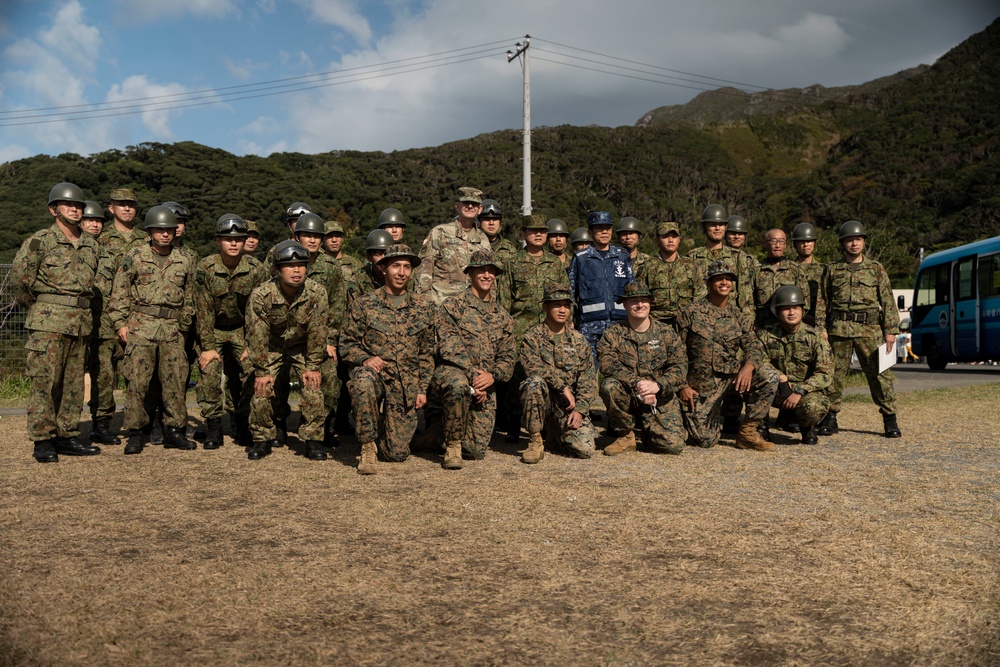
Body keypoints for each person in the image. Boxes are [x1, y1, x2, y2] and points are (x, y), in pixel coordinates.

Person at [12, 182, 101, 463]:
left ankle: (66, 435)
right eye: (68, 205)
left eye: (78, 206)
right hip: (48, 322)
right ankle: (43, 439)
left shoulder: (90, 244)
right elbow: (20, 281)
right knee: (45, 382)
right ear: (54, 210)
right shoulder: (40, 241)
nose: (75, 209)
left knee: (73, 384)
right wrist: (44, 306)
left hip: (80, 322)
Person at [107, 205, 197, 455]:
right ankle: (136, 433)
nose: (165, 234)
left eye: (169, 229)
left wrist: (185, 325)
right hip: (141, 326)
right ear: (149, 231)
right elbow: (120, 292)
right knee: (137, 382)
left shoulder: (185, 259)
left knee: (175, 382)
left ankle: (174, 431)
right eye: (159, 230)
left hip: (172, 328)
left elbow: (190, 296)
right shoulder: (135, 255)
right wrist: (120, 324)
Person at [340, 244, 435, 474]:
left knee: (396, 454)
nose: (401, 272)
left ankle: (383, 427)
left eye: (406, 267)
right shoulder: (364, 304)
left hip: (405, 385)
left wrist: (422, 388)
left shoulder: (424, 307)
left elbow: (426, 353)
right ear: (383, 269)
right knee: (362, 381)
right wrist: (365, 359)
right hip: (376, 377)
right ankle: (367, 448)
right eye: (395, 266)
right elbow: (346, 344)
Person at [425, 250, 515, 468]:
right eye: (481, 271)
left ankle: (436, 435)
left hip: (486, 381)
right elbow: (449, 348)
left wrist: (493, 376)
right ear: (470, 274)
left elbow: (508, 357)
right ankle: (452, 446)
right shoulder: (452, 306)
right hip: (455, 374)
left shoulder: (503, 316)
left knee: (475, 451)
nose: (486, 275)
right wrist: (475, 379)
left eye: (491, 271)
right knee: (457, 385)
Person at [675, 260, 778, 451]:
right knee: (705, 441)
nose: (724, 282)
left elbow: (754, 346)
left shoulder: (738, 316)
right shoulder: (689, 313)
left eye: (728, 279)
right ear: (708, 283)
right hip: (702, 385)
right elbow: (675, 353)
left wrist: (748, 367)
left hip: (732, 379)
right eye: (719, 279)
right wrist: (682, 386)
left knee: (769, 377)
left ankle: (748, 432)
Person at [815, 221, 902, 438]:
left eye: (858, 239)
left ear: (863, 242)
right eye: (849, 240)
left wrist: (890, 330)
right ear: (843, 243)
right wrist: (821, 328)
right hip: (839, 329)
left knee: (881, 374)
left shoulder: (876, 269)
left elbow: (888, 300)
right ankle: (830, 416)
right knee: (833, 375)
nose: (854, 243)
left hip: (869, 329)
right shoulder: (833, 269)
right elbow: (822, 301)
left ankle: (889, 418)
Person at [244, 241, 329, 461]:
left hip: (302, 345)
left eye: (301, 265)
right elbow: (257, 335)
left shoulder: (316, 292)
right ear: (277, 270)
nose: (296, 270)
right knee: (262, 387)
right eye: (289, 266)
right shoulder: (261, 295)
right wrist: (262, 370)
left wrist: (313, 366)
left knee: (313, 385)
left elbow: (317, 332)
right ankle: (262, 438)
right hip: (272, 345)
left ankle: (313, 439)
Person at [194, 215, 267, 449]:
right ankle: (214, 428)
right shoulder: (206, 267)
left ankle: (243, 425)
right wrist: (207, 347)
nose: (233, 244)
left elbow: (258, 311)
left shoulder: (256, 269)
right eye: (228, 239)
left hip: (242, 329)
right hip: (212, 328)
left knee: (249, 371)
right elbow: (203, 308)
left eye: (238, 239)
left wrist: (251, 345)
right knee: (210, 372)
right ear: (218, 241)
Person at [496, 216, 567, 442]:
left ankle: (545, 423)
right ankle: (514, 425)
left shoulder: (555, 264)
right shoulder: (512, 263)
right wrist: (504, 330)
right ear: (524, 234)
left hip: (548, 328)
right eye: (533, 231)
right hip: (519, 328)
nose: (539, 235)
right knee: (517, 376)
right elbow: (504, 299)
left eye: (542, 231)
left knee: (547, 373)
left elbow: (565, 296)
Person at [597, 283, 688, 456]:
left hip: (658, 397)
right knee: (609, 386)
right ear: (624, 304)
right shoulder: (613, 333)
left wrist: (658, 386)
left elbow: (680, 366)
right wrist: (637, 383)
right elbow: (606, 363)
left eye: (644, 300)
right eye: (634, 301)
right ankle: (626, 436)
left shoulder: (666, 332)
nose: (640, 305)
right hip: (629, 395)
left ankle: (650, 430)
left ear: (650, 303)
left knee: (672, 446)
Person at [88, 187, 147, 446]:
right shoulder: (97, 237)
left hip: (137, 316)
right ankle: (101, 424)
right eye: (121, 204)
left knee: (137, 372)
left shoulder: (146, 239)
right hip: (102, 316)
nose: (126, 208)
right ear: (110, 207)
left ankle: (140, 424)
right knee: (102, 372)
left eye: (131, 205)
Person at [518, 283, 599, 463]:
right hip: (543, 403)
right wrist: (562, 387)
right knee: (534, 383)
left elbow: (588, 379)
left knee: (584, 449)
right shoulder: (532, 337)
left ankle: (556, 434)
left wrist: (580, 410)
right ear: (545, 307)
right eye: (556, 305)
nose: (562, 310)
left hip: (567, 408)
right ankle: (535, 440)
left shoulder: (578, 340)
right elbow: (531, 367)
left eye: (566, 305)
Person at [292, 212, 347, 449]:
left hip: (320, 339)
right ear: (297, 236)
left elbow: (337, 306)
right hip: (288, 337)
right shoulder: (284, 259)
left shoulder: (331, 267)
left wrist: (329, 340)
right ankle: (274, 428)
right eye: (307, 235)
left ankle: (323, 427)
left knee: (330, 382)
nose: (312, 240)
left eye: (317, 236)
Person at [757, 285, 834, 444]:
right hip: (775, 388)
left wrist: (799, 391)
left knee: (812, 406)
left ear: (802, 310)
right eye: (786, 309)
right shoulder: (765, 335)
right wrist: (779, 376)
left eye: (795, 308)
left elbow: (825, 373)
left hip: (803, 392)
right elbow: (757, 361)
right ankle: (761, 427)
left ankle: (807, 427)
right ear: (778, 312)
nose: (791, 313)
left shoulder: (815, 337)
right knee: (752, 383)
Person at [567, 211, 634, 365]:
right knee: (589, 373)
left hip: (620, 326)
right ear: (590, 233)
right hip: (590, 327)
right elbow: (571, 291)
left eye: (608, 228)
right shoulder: (581, 258)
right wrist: (570, 320)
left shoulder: (622, 256)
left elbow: (632, 289)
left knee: (622, 371)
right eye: (599, 228)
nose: (604, 232)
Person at [413, 187, 491, 306]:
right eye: (466, 202)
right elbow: (424, 271)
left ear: (480, 209)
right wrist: (423, 304)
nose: (470, 206)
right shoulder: (440, 233)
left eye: (474, 204)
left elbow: (489, 276)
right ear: (457, 206)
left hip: (472, 309)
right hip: (441, 305)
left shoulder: (484, 240)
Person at [688, 204, 756, 319]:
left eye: (721, 225)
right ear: (704, 227)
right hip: (701, 319)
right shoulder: (692, 257)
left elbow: (746, 296)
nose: (717, 228)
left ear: (726, 227)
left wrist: (747, 323)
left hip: (730, 320)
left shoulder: (738, 257)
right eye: (713, 225)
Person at [635, 221, 705, 327]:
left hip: (686, 323)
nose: (671, 240)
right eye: (665, 236)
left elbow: (701, 296)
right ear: (657, 240)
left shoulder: (690, 266)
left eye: (674, 236)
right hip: (656, 323)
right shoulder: (647, 267)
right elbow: (639, 297)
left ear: (679, 239)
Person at [752, 228, 810, 328]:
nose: (777, 245)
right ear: (765, 244)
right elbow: (748, 303)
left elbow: (805, 302)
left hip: (790, 328)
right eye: (773, 241)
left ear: (785, 245)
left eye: (781, 241)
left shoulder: (796, 270)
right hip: (763, 328)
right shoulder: (756, 271)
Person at [791, 222, 823, 325]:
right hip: (793, 322)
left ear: (814, 243)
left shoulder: (824, 270)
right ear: (795, 244)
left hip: (817, 323)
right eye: (801, 242)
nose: (805, 245)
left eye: (809, 241)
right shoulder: (787, 269)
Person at [349, 229, 393, 302]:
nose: (383, 258)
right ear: (368, 257)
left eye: (386, 254)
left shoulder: (402, 275)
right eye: (378, 254)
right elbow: (353, 308)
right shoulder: (359, 278)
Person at [479, 199, 518, 264]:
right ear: (479, 222)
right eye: (487, 219)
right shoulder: (472, 245)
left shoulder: (509, 248)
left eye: (495, 219)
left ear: (500, 222)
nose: (491, 223)